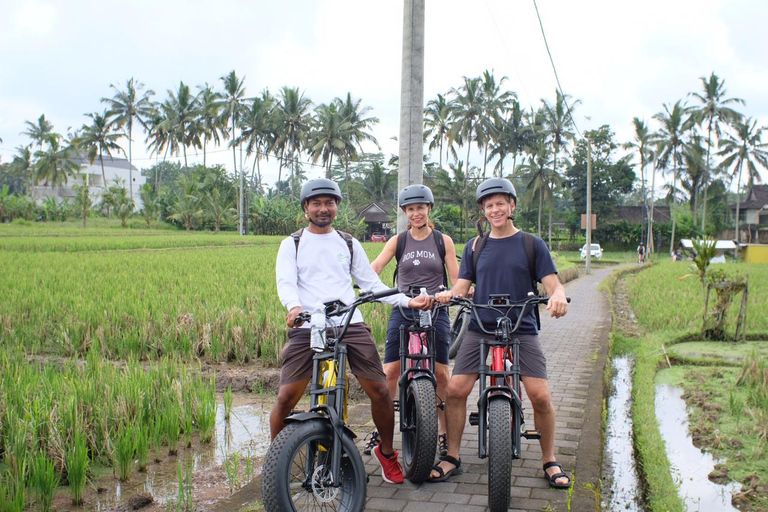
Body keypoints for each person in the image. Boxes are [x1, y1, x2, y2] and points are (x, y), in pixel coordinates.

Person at [271, 178, 432, 485]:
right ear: (306, 208)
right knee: (286, 397)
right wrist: (293, 307)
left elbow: (372, 286)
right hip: (309, 324)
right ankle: (276, 458)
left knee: (380, 390)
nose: (323, 208)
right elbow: (286, 282)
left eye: (329, 203)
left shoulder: (348, 243)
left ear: (337, 207)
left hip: (349, 322)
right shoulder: (291, 243)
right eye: (316, 203)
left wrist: (409, 301)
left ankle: (386, 452)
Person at [431, 177, 571, 489]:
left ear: (512, 206)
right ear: (483, 210)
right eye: (488, 205)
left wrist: (558, 295)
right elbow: (462, 286)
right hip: (480, 328)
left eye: (500, 204)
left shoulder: (532, 244)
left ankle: (549, 459)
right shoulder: (475, 246)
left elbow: (552, 284)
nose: (494, 209)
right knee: (455, 390)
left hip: (522, 328)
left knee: (540, 395)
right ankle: (452, 455)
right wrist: (448, 294)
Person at [364, 184, 460, 458]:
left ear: (429, 209)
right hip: (404, 310)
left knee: (442, 373)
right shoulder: (399, 241)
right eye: (410, 209)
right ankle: (382, 433)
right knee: (390, 372)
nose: (416, 213)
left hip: (437, 312)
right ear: (405, 213)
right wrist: (368, 286)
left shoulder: (443, 241)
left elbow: (456, 280)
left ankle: (442, 433)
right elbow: (375, 268)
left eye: (420, 208)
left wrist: (448, 295)